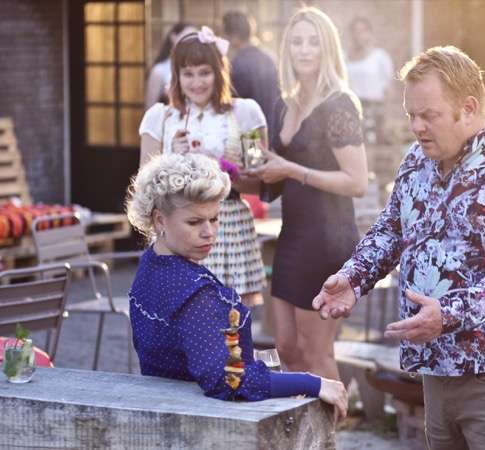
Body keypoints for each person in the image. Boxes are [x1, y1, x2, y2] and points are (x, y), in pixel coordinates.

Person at [313, 46, 485, 450]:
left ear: (468, 107)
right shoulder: (416, 160)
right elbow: (392, 229)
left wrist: (450, 314)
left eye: (429, 115)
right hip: (437, 368)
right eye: (411, 114)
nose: (417, 127)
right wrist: (353, 278)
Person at [125, 152, 347, 417]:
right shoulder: (194, 293)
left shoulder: (151, 263)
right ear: (160, 219)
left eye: (214, 218)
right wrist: (312, 382)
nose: (209, 231)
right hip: (201, 421)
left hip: (163, 407)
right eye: (194, 222)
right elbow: (229, 380)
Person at [244, 7, 367, 381]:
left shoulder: (339, 104)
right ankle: (302, 433)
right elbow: (275, 183)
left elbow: (356, 182)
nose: (304, 49)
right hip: (293, 236)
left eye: (313, 41)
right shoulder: (284, 103)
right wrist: (242, 171)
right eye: (297, 41)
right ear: (287, 49)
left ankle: (327, 437)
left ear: (327, 47)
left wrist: (291, 170)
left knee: (315, 351)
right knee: (285, 347)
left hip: (328, 238)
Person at [138, 26, 266, 307]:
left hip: (226, 225)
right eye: (188, 73)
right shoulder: (159, 118)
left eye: (204, 72)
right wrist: (171, 160)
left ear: (219, 72)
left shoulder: (246, 113)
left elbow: (260, 181)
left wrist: (220, 167)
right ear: (177, 76)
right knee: (178, 322)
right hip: (175, 230)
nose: (197, 82)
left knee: (230, 325)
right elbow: (145, 190)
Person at [222, 10, 281, 130]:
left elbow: (233, 106)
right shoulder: (270, 58)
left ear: (233, 36)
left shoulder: (236, 65)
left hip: (249, 134)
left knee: (252, 150)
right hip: (271, 129)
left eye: (225, 35)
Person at [346, 16, 394, 144]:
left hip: (375, 109)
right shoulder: (345, 57)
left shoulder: (380, 57)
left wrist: (387, 118)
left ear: (369, 33)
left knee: (372, 144)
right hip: (353, 108)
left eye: (362, 31)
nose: (358, 35)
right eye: (355, 31)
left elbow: (387, 89)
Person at [145, 23, 196, 110]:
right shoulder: (159, 70)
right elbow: (150, 105)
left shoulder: (198, 67)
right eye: (186, 36)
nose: (190, 42)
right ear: (173, 37)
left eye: (194, 38)